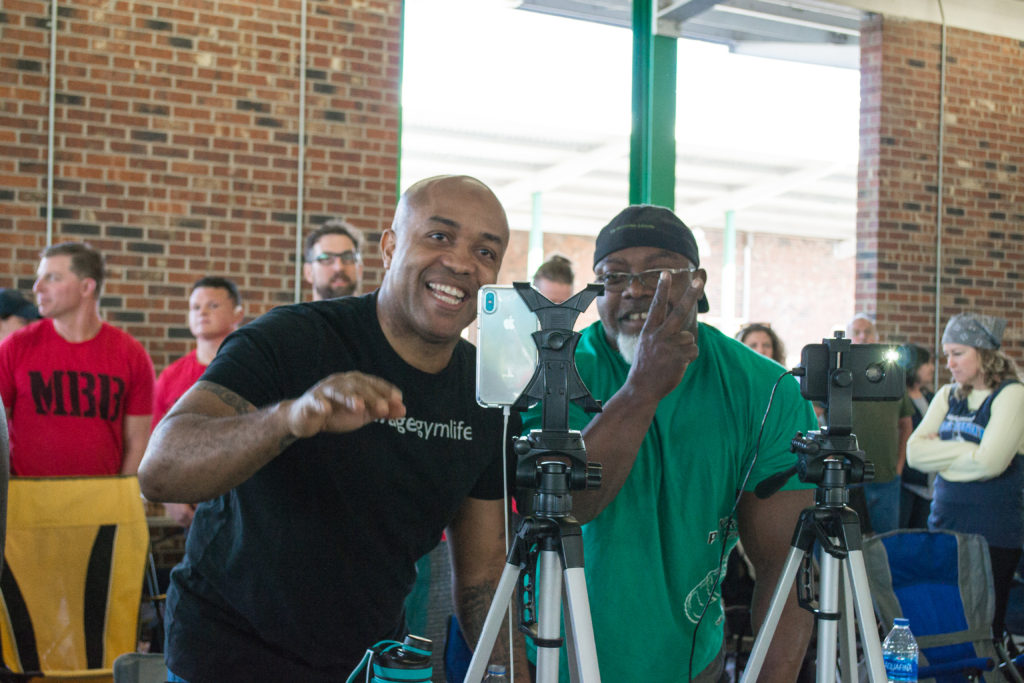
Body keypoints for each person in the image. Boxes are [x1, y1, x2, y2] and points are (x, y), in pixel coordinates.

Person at [139, 175, 527, 682]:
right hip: (226, 657)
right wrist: (291, 417)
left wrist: (516, 676)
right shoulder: (292, 338)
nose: (460, 262)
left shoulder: (485, 393)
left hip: (363, 665)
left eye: (485, 251)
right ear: (389, 248)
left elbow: (481, 574)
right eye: (439, 236)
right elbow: (161, 471)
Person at [520, 204, 816, 681]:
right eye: (614, 277)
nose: (635, 290)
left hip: (689, 662)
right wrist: (642, 388)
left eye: (657, 271)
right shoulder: (558, 371)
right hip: (559, 660)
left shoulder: (765, 388)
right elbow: (569, 503)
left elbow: (786, 565)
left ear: (696, 283)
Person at [907, 313, 1024, 640]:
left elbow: (991, 463)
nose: (949, 363)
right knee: (947, 620)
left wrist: (944, 453)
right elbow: (915, 454)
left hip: (993, 533)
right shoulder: (947, 395)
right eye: (946, 355)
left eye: (957, 353)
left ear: (984, 353)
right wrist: (968, 451)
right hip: (945, 523)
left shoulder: (1012, 395)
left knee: (985, 628)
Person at [0, 242, 154, 476]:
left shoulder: (131, 353)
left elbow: (138, 441)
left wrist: (121, 496)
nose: (37, 287)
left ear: (86, 287)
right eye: (39, 277)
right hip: (28, 501)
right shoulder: (14, 348)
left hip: (103, 501)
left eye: (52, 278)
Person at [152, 276, 243, 528]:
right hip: (192, 502)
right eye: (195, 307)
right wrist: (169, 497)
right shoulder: (171, 376)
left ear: (238, 313)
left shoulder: (252, 368)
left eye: (212, 305)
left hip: (248, 499)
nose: (202, 312)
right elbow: (156, 444)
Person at [846, 313, 914, 535]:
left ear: (876, 337)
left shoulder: (892, 376)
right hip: (847, 477)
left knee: (887, 543)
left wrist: (899, 465)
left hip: (886, 476)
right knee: (845, 544)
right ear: (848, 337)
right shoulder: (837, 376)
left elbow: (906, 423)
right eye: (856, 332)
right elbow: (815, 416)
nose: (863, 336)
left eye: (868, 332)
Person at [897, 343, 935, 529]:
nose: (931, 368)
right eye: (926, 363)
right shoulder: (899, 398)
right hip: (907, 479)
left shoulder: (931, 397)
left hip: (929, 479)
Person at [302, 218, 364, 301]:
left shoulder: (380, 314)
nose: (339, 267)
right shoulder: (287, 314)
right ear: (308, 272)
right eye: (326, 258)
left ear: (360, 269)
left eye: (348, 257)